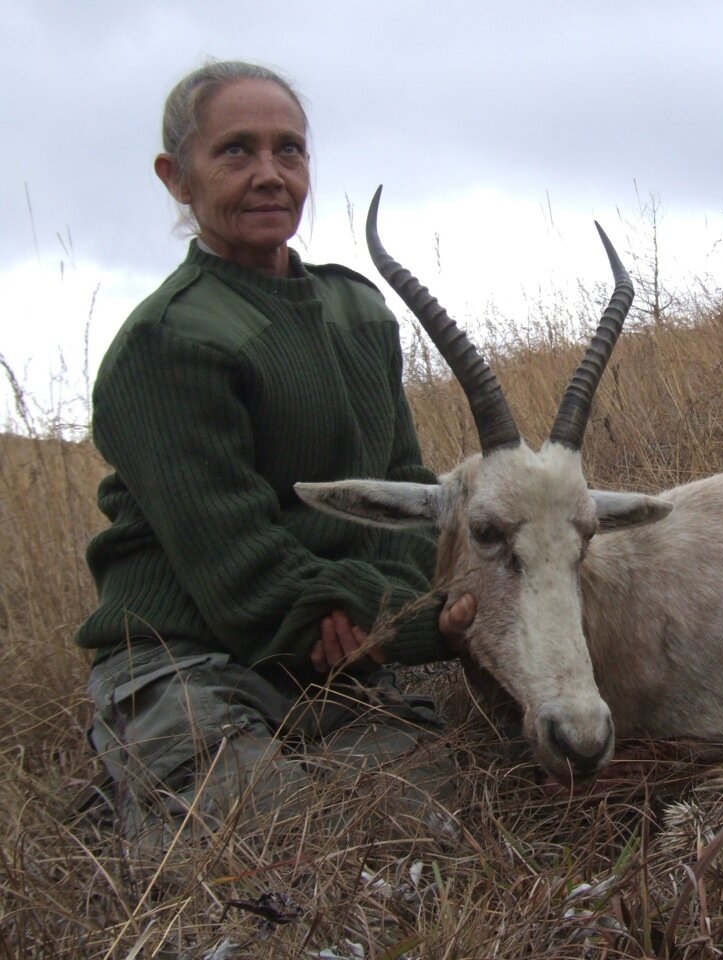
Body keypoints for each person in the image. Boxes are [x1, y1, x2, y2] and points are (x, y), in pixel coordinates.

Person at [76, 59, 474, 847]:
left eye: (288, 151)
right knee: (276, 848)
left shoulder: (356, 307)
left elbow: (402, 492)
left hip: (328, 655)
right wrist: (417, 624)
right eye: (235, 152)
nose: (269, 174)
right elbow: (241, 570)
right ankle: (136, 769)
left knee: (430, 830)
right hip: (189, 657)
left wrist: (382, 619)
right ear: (176, 177)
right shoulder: (167, 341)